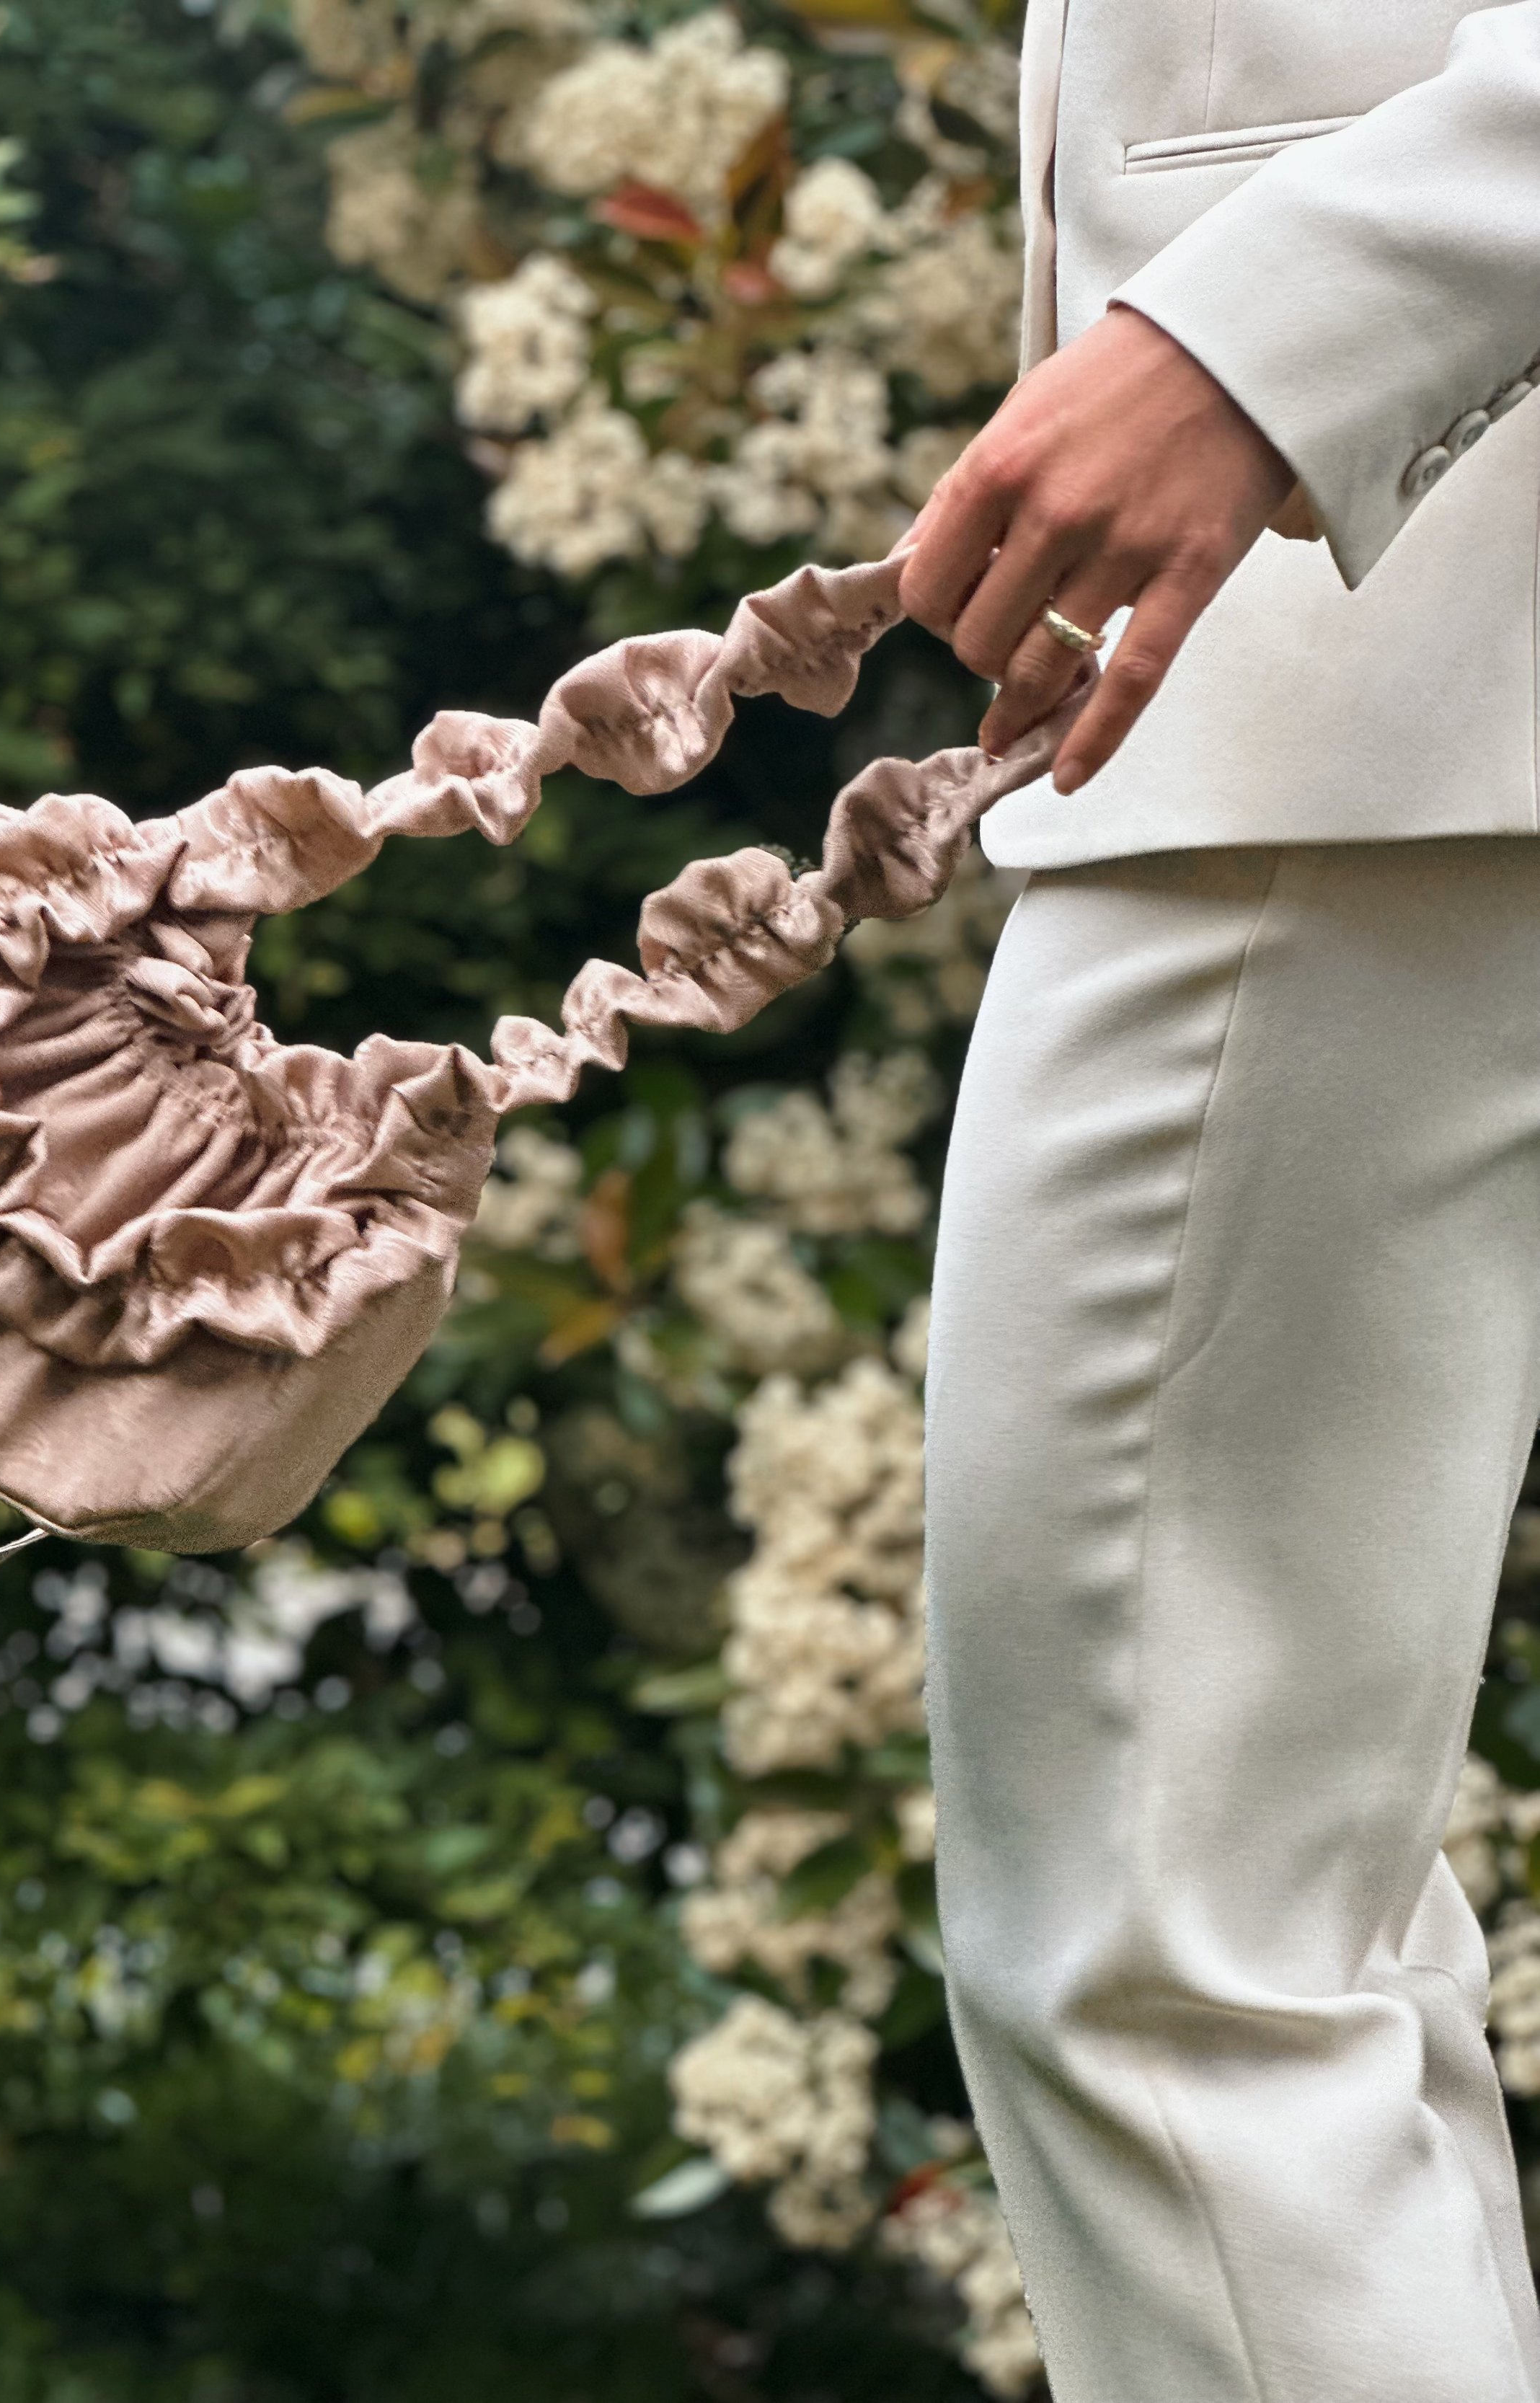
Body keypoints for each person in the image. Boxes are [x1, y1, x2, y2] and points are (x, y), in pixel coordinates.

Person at [899, 6, 1540, 2398]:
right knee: (1269, 1945)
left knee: (1173, 1969)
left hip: (1402, 678)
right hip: (1391, 665)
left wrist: (1286, 317)